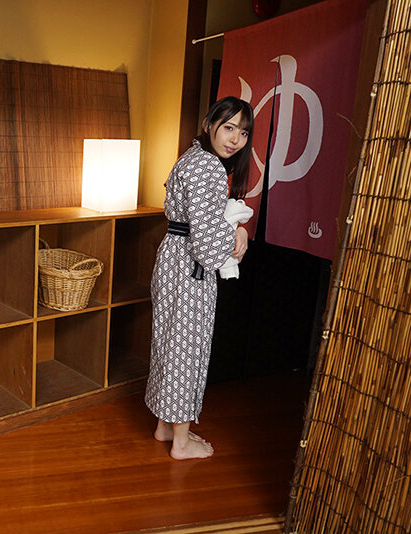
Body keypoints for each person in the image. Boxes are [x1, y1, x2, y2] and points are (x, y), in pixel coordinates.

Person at [144, 96, 254, 460]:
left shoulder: (191, 157)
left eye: (243, 132)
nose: (235, 139)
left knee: (169, 343)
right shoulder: (208, 167)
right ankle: (181, 441)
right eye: (228, 127)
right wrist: (236, 239)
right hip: (189, 266)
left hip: (172, 257)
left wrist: (234, 227)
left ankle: (164, 427)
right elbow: (207, 246)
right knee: (186, 350)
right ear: (209, 124)